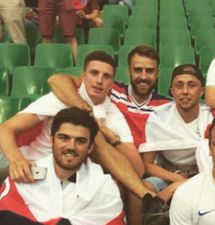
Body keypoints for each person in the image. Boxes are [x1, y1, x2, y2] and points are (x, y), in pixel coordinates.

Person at [0, 51, 151, 200]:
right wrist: (17, 159)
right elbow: (5, 128)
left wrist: (108, 134)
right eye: (94, 73)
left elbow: (137, 169)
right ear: (83, 76)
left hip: (76, 176)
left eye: (106, 76)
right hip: (37, 167)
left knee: (106, 182)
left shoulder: (113, 114)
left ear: (112, 83)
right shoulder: (64, 97)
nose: (99, 80)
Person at [0, 107, 125, 225]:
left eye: (80, 141)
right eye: (64, 138)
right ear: (52, 140)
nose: (71, 146)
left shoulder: (104, 187)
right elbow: (5, 215)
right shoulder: (24, 174)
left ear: (90, 147)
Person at [128, 64, 214, 225]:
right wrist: (175, 179)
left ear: (201, 91)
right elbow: (147, 164)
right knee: (137, 193)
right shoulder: (158, 117)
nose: (185, 91)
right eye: (179, 86)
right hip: (170, 174)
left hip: (205, 175)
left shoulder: (211, 118)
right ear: (172, 91)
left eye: (192, 85)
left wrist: (179, 185)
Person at [48, 45, 171, 148]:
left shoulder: (166, 106)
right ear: (129, 71)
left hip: (149, 167)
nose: (143, 77)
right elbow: (56, 80)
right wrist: (86, 112)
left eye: (149, 71)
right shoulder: (110, 89)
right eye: (138, 70)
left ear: (157, 73)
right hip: (116, 159)